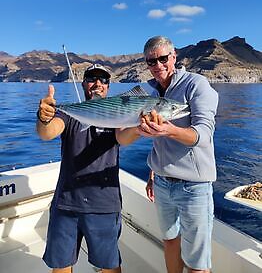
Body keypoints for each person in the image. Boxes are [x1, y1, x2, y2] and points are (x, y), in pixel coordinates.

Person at [36, 63, 139, 273]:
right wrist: (43, 117)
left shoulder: (118, 114)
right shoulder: (70, 114)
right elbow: (47, 133)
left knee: (109, 267)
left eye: (103, 80)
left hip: (104, 205)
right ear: (84, 83)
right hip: (66, 203)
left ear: (109, 86)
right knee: (61, 265)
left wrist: (139, 128)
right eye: (92, 79)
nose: (97, 84)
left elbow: (124, 137)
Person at [139, 36, 219, 273]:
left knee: (197, 261)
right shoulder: (148, 91)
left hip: (194, 187)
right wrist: (153, 173)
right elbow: (158, 143)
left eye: (164, 58)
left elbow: (204, 134)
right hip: (162, 184)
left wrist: (169, 130)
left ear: (174, 57)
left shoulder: (197, 84)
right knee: (170, 241)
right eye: (151, 62)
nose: (158, 65)